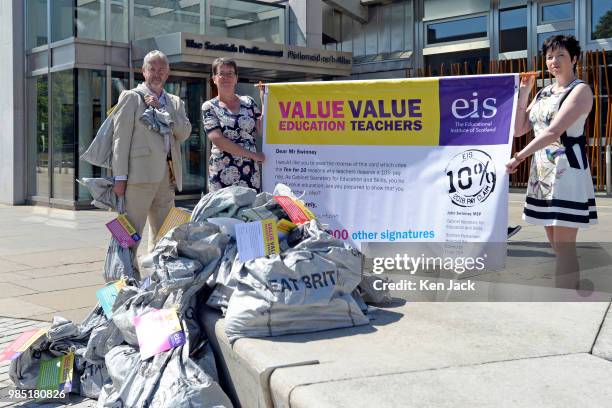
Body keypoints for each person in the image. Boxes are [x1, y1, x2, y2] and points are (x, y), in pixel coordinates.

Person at [506, 35, 597, 288]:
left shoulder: (580, 90)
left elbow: (553, 132)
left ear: (574, 59)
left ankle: (566, 299)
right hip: (542, 175)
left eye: (561, 56)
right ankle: (573, 290)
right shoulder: (544, 92)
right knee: (556, 245)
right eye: (549, 57)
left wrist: (519, 157)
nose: (554, 61)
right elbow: (519, 129)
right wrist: (524, 93)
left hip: (567, 172)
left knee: (565, 246)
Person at [112, 50, 192, 257]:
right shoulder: (131, 97)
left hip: (168, 176)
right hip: (138, 176)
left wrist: (164, 110)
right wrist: (119, 178)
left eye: (161, 70)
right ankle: (123, 275)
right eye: (152, 69)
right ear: (144, 71)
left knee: (166, 235)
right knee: (128, 233)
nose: (157, 74)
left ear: (168, 72)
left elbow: (183, 133)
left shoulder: (175, 102)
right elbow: (120, 141)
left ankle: (158, 279)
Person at [202, 58, 265, 192]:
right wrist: (253, 155)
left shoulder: (249, 102)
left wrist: (265, 100)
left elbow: (262, 129)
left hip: (249, 173)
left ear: (236, 78)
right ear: (214, 78)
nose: (226, 77)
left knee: (248, 212)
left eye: (230, 73)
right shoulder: (209, 107)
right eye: (221, 73)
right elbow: (218, 140)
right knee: (223, 213)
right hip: (222, 174)